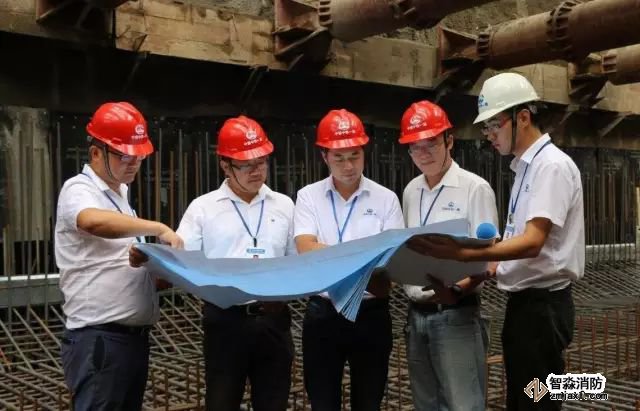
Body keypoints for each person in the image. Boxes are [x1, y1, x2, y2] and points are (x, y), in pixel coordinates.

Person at [409, 73, 584, 411]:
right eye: (485, 128)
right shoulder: (526, 169)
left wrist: (462, 252)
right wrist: (463, 285)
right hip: (526, 307)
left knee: (537, 400)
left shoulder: (551, 167)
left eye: (494, 125)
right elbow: (512, 249)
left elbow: (532, 242)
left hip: (542, 308)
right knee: (525, 398)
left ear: (523, 117)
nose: (489, 134)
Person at [133, 115, 295, 411]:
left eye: (261, 162)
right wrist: (155, 262)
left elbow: (296, 261)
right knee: (222, 401)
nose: (256, 171)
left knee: (274, 402)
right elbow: (181, 259)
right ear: (225, 165)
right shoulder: (204, 209)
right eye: (246, 164)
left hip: (273, 320)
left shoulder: (284, 205)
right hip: (226, 322)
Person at [55, 101, 183, 411]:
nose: (134, 163)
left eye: (139, 156)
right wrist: (158, 228)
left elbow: (115, 264)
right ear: (96, 152)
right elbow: (92, 222)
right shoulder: (79, 189)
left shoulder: (121, 196)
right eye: (125, 155)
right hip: (99, 339)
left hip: (130, 340)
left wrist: (157, 275)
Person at [294, 109, 405, 411]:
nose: (348, 166)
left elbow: (391, 260)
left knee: (369, 400)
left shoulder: (386, 199)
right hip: (324, 313)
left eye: (355, 156)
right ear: (324, 156)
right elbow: (306, 248)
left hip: (371, 313)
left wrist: (331, 256)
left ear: (364, 153)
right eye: (339, 157)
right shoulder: (308, 197)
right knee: (322, 401)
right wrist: (366, 259)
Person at [398, 100, 499, 411]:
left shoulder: (474, 189)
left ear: (449, 141)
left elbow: (491, 256)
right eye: (415, 147)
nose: (424, 153)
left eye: (431, 144)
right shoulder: (411, 191)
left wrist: (456, 290)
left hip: (456, 315)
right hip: (416, 316)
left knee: (463, 404)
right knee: (426, 403)